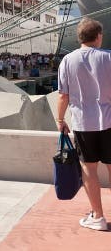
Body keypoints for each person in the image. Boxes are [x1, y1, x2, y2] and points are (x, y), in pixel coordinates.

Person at [57, 17, 111, 231]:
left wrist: (60, 120)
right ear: (98, 36)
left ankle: (98, 217)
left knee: (89, 169)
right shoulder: (109, 58)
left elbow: (63, 96)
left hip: (83, 124)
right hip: (109, 121)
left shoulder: (67, 61)